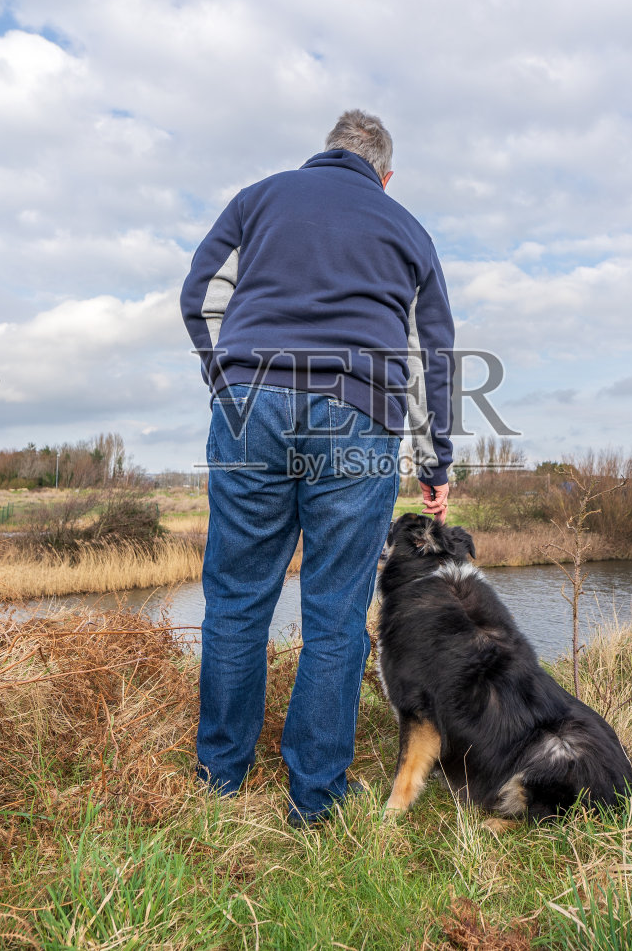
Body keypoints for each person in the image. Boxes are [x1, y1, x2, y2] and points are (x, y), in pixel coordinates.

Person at [179, 109, 456, 825]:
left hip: (252, 408)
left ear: (324, 152)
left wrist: (230, 381)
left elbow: (200, 295)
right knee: (334, 613)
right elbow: (432, 357)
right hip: (358, 417)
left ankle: (220, 780)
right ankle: (314, 797)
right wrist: (435, 461)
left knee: (237, 597)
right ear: (385, 175)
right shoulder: (407, 229)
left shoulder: (260, 197)